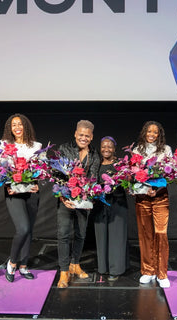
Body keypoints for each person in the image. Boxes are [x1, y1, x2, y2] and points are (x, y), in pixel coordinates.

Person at [56, 120, 100, 288]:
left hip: (83, 201)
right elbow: (58, 174)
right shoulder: (64, 149)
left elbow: (94, 177)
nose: (83, 138)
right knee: (64, 235)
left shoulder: (94, 154)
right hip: (66, 200)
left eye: (87, 136)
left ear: (91, 137)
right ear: (75, 134)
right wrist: (63, 197)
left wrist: (87, 194)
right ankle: (64, 271)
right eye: (80, 135)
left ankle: (75, 264)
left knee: (81, 234)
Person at [1, 114, 42, 283]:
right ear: (10, 129)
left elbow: (41, 169)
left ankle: (24, 266)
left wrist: (39, 182)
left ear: (26, 126)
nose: (17, 127)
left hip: (31, 190)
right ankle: (12, 262)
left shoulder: (37, 146)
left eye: (20, 124)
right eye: (13, 125)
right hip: (13, 192)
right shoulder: (4, 145)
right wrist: (8, 185)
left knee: (29, 230)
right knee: (23, 228)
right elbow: (0, 170)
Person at [132, 121, 172, 288]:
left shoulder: (166, 150)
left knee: (161, 234)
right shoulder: (137, 151)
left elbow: (170, 173)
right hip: (142, 198)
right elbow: (133, 175)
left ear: (159, 134)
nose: (151, 134)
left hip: (160, 197)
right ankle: (148, 270)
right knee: (146, 235)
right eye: (149, 131)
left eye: (155, 132)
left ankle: (162, 273)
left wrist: (157, 188)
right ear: (144, 132)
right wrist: (145, 188)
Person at [93, 136, 129, 281]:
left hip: (117, 204)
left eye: (109, 147)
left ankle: (116, 269)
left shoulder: (120, 165)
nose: (106, 149)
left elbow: (127, 184)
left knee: (116, 236)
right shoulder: (96, 164)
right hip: (100, 205)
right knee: (101, 236)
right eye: (103, 146)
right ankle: (103, 268)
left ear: (114, 149)